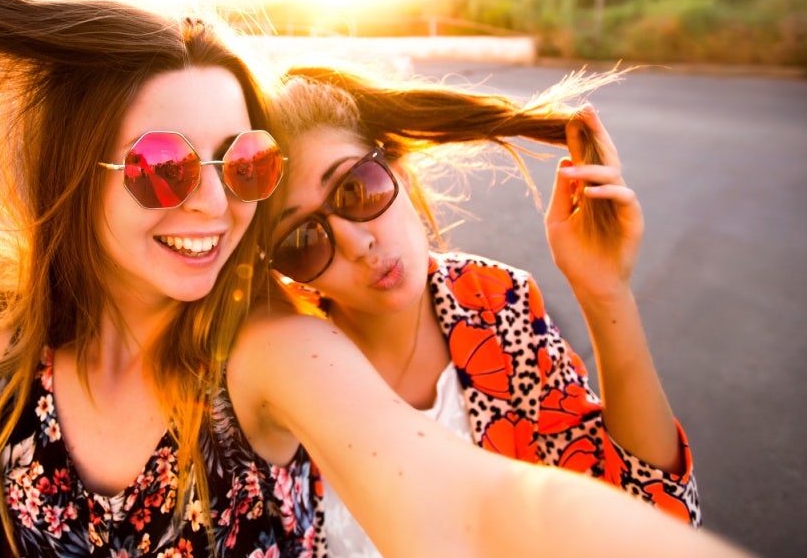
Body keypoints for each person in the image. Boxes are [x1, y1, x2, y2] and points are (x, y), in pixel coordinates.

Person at [0, 0, 751, 557]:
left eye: (237, 164)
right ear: (77, 174)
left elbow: (476, 506)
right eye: (155, 166)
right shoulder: (13, 313)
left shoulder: (268, 351)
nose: (206, 205)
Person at [257, 66, 699, 556]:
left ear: (399, 172)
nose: (358, 244)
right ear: (285, 270)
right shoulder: (278, 367)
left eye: (355, 189)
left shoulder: (496, 306)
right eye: (302, 240)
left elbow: (656, 516)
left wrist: (606, 293)